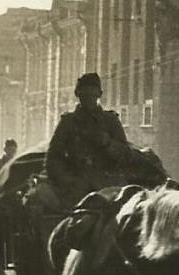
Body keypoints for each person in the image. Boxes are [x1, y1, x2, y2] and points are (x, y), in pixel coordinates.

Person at [44, 72, 133, 207]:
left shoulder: (110, 121)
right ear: (78, 94)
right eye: (85, 95)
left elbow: (126, 156)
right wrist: (68, 180)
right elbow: (52, 159)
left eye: (93, 94)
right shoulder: (68, 122)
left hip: (108, 186)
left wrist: (108, 143)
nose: (89, 99)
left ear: (99, 94)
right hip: (76, 188)